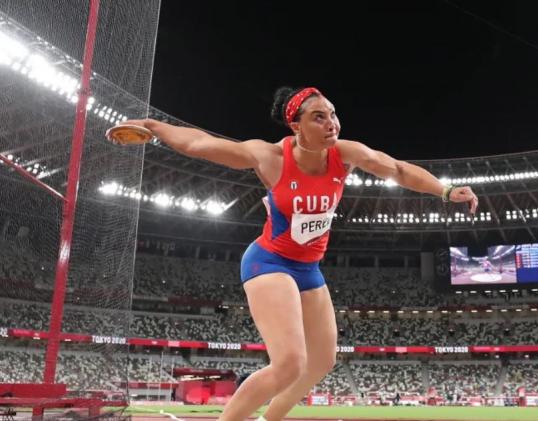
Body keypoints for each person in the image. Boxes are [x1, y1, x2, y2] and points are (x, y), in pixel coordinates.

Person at [114, 86, 478, 421]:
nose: (331, 123)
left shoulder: (345, 154)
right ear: (295, 125)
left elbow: (397, 169)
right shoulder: (270, 157)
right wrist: (151, 125)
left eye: (333, 114)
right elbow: (199, 144)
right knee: (290, 363)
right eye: (318, 117)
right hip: (269, 261)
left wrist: (445, 192)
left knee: (322, 361)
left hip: (309, 269)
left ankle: (269, 418)